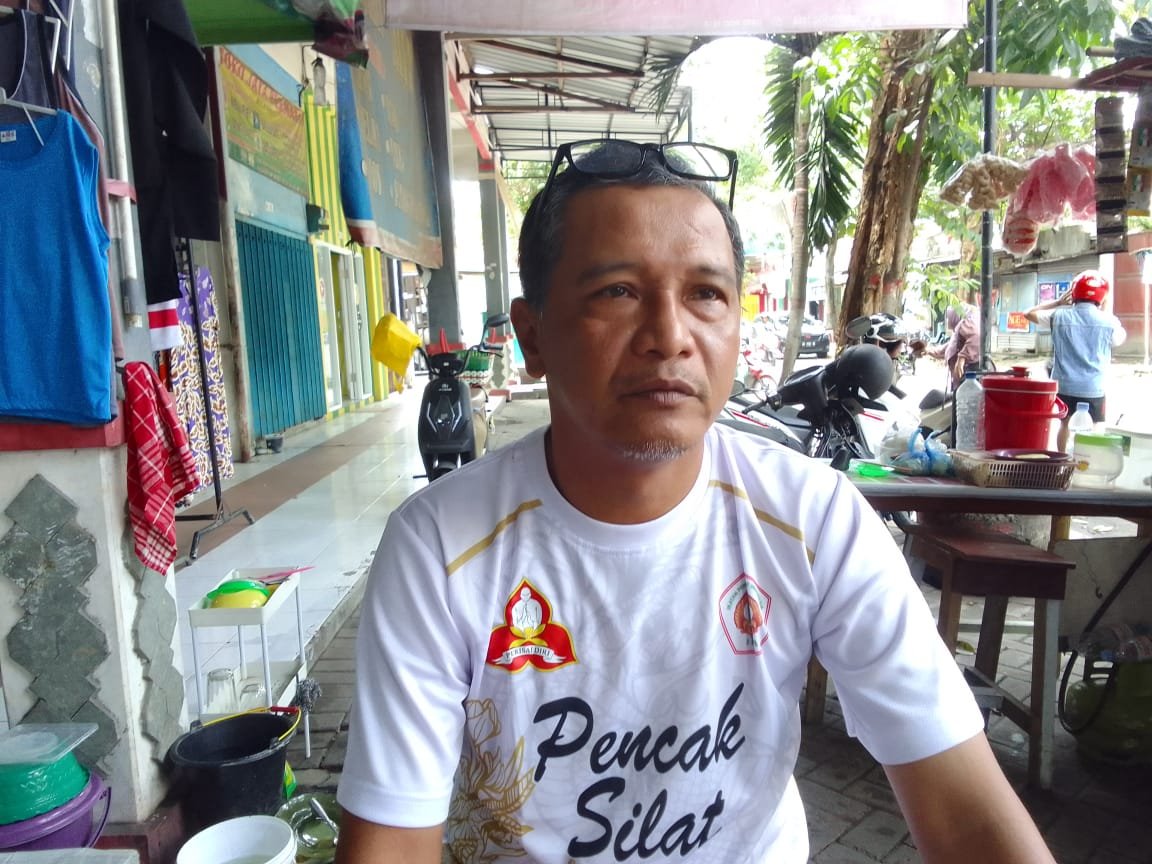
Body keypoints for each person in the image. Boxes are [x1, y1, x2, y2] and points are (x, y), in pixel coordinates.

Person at [335, 139, 1056, 864]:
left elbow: (966, 814)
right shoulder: (440, 548)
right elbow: (391, 843)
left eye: (706, 293)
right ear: (533, 337)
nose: (670, 337)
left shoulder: (814, 521)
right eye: (617, 292)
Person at [1024, 270, 1127, 452]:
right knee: (1094, 427)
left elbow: (1028, 313)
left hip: (1064, 386)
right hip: (1093, 388)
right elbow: (1119, 340)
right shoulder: (1109, 322)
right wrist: (1105, 308)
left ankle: (1062, 460)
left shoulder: (1059, 316)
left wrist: (1057, 302)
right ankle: (1088, 460)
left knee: (1064, 424)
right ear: (1102, 296)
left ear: (1074, 293)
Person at [917, 303, 981, 391]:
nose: (947, 320)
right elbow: (948, 349)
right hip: (960, 381)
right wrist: (928, 351)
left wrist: (961, 358)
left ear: (955, 316)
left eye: (948, 317)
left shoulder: (966, 324)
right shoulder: (957, 333)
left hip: (969, 379)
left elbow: (976, 336)